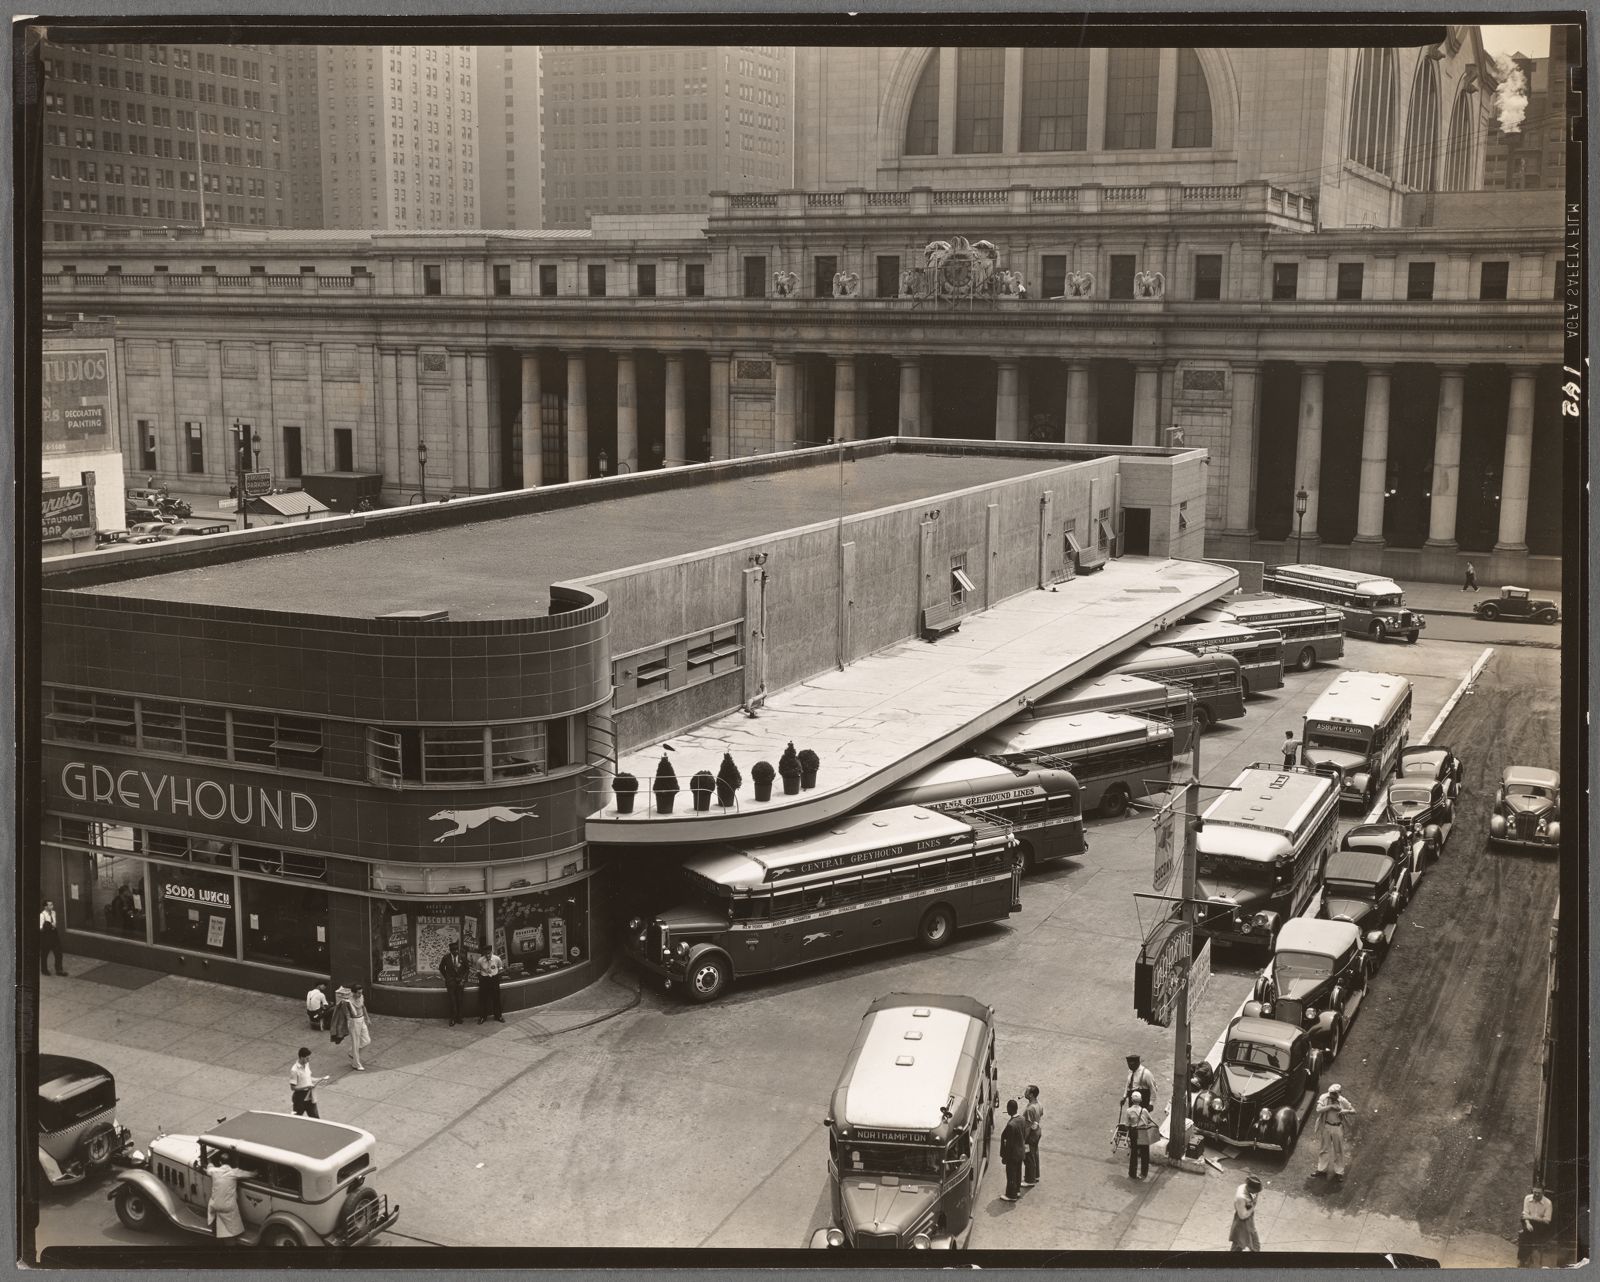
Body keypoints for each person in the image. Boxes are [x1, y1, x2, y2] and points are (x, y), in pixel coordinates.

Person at [206, 1150, 258, 1244]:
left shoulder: (214, 1171)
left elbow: (209, 1168)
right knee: (231, 1230)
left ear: (220, 1162)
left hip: (215, 1205)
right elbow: (251, 1174)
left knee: (216, 1217)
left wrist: (209, 1162)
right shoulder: (234, 1172)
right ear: (231, 1163)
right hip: (228, 1207)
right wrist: (256, 1171)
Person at [1312, 1083, 1356, 1180]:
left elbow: (1353, 1111)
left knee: (1338, 1150)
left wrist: (1345, 1111)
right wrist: (1331, 1106)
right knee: (1324, 1149)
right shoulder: (1324, 1097)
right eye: (1331, 1093)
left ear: (1338, 1093)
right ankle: (1321, 1170)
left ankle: (1339, 1172)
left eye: (1334, 1094)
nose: (1331, 1095)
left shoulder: (1342, 1100)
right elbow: (1318, 1109)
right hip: (1327, 1125)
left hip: (1337, 1127)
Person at [1125, 1089, 1157, 1181]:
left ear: (1131, 1100)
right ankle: (1144, 1173)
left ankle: (1132, 1173)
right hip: (1143, 1131)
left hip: (1134, 1132)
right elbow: (1150, 1120)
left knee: (1134, 1153)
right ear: (1141, 1100)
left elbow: (1127, 1125)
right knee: (1144, 1153)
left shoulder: (1128, 1111)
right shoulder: (1144, 1110)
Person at [288, 1047, 329, 1118]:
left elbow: (309, 1078)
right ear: (301, 1057)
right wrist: (307, 1087)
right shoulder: (294, 1070)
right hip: (300, 1098)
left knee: (315, 1118)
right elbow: (293, 1087)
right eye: (307, 1058)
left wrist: (319, 1079)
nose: (308, 1060)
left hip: (310, 1097)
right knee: (296, 1118)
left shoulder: (306, 1065)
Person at [999, 1099, 1027, 1201]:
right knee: (1018, 1172)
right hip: (1020, 1151)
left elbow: (1009, 1144)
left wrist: (1005, 1157)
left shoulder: (1011, 1125)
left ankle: (1011, 1194)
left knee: (1011, 1173)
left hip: (1013, 1154)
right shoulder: (1022, 1119)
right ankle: (1017, 1190)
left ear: (1010, 1109)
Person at [1519, 1185, 1554, 1263]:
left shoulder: (1548, 1203)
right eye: (1535, 1192)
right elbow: (1525, 1214)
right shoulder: (1527, 1198)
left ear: (1543, 1193)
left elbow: (1547, 1220)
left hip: (1541, 1225)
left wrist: (1531, 1218)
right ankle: (1523, 1260)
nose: (1536, 1195)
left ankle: (1526, 1257)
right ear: (1532, 1191)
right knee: (1525, 1230)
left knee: (1525, 1236)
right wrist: (1528, 1223)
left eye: (1539, 1193)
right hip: (1529, 1223)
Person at [440, 941, 470, 1027]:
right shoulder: (446, 958)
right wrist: (447, 977)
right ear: (450, 950)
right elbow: (441, 968)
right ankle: (453, 1018)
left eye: (456, 949)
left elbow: (467, 969)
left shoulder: (463, 957)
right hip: (451, 982)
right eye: (453, 950)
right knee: (452, 1000)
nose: (455, 951)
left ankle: (459, 1017)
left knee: (459, 1000)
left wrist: (463, 980)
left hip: (460, 982)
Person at [1229, 1174, 1263, 1251]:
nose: (1256, 1193)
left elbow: (1255, 1195)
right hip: (1241, 1222)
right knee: (1239, 1244)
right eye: (1255, 1191)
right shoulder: (1241, 1197)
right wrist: (1253, 1206)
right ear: (1250, 1188)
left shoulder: (1246, 1187)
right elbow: (1242, 1216)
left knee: (1255, 1245)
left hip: (1249, 1220)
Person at [476, 945, 505, 1024]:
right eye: (486, 953)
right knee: (483, 999)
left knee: (496, 999)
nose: (487, 955)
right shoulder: (480, 961)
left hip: (494, 980)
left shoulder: (497, 959)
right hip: (484, 981)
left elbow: (500, 969)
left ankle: (498, 1016)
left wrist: (497, 977)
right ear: (483, 953)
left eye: (489, 953)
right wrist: (481, 979)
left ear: (491, 952)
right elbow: (478, 971)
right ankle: (482, 1017)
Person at [1022, 1085, 1044, 1187]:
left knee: (1028, 1156)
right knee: (1035, 1154)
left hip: (1030, 1136)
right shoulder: (1039, 1104)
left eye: (1026, 1091)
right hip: (1037, 1132)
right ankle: (1035, 1175)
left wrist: (1023, 1139)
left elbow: (1027, 1127)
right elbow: (1041, 1114)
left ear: (1031, 1095)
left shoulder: (1030, 1109)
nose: (1025, 1093)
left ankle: (1030, 1180)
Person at [40, 901, 66, 976]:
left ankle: (59, 970)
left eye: (52, 904)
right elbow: (40, 928)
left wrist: (53, 926)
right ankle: (44, 970)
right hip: (46, 936)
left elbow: (55, 923)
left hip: (54, 935)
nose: (52, 906)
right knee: (44, 954)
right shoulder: (42, 915)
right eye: (50, 905)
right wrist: (48, 926)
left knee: (58, 953)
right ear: (45, 907)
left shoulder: (54, 913)